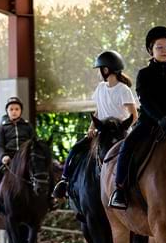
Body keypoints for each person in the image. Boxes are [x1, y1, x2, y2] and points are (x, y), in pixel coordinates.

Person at [110, 26, 166, 210]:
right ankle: (120, 190)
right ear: (150, 50)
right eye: (160, 47)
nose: (165, 51)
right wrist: (160, 118)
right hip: (150, 122)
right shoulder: (144, 74)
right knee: (127, 146)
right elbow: (144, 99)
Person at [52, 50, 138, 202]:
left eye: (100, 70)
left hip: (119, 132)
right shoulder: (100, 88)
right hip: (102, 132)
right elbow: (98, 111)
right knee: (76, 149)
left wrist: (121, 131)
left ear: (105, 70)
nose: (99, 73)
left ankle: (129, 187)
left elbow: (134, 115)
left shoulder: (123, 90)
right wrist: (92, 127)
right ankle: (64, 181)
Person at [0, 96, 35, 217]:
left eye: (16, 109)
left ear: (20, 111)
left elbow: (33, 141)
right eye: (11, 109)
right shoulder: (2, 128)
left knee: (42, 171)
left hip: (25, 157)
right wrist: (3, 156)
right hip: (9, 157)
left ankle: (50, 198)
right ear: (7, 111)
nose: (14, 111)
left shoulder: (27, 126)